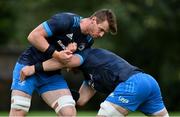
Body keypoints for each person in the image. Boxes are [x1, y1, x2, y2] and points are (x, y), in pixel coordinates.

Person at [10, 9, 117, 117]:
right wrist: (56, 54)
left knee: (68, 112)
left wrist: (69, 58)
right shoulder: (66, 20)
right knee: (19, 107)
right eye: (101, 29)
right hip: (28, 64)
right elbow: (33, 36)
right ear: (94, 20)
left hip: (51, 74)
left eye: (104, 32)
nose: (101, 34)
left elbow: (69, 64)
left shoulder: (88, 41)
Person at [20, 48, 169, 117]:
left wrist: (34, 68)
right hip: (148, 82)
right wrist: (62, 94)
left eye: (67, 65)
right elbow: (81, 100)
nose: (66, 68)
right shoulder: (89, 78)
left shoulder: (84, 55)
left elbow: (64, 61)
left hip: (134, 83)